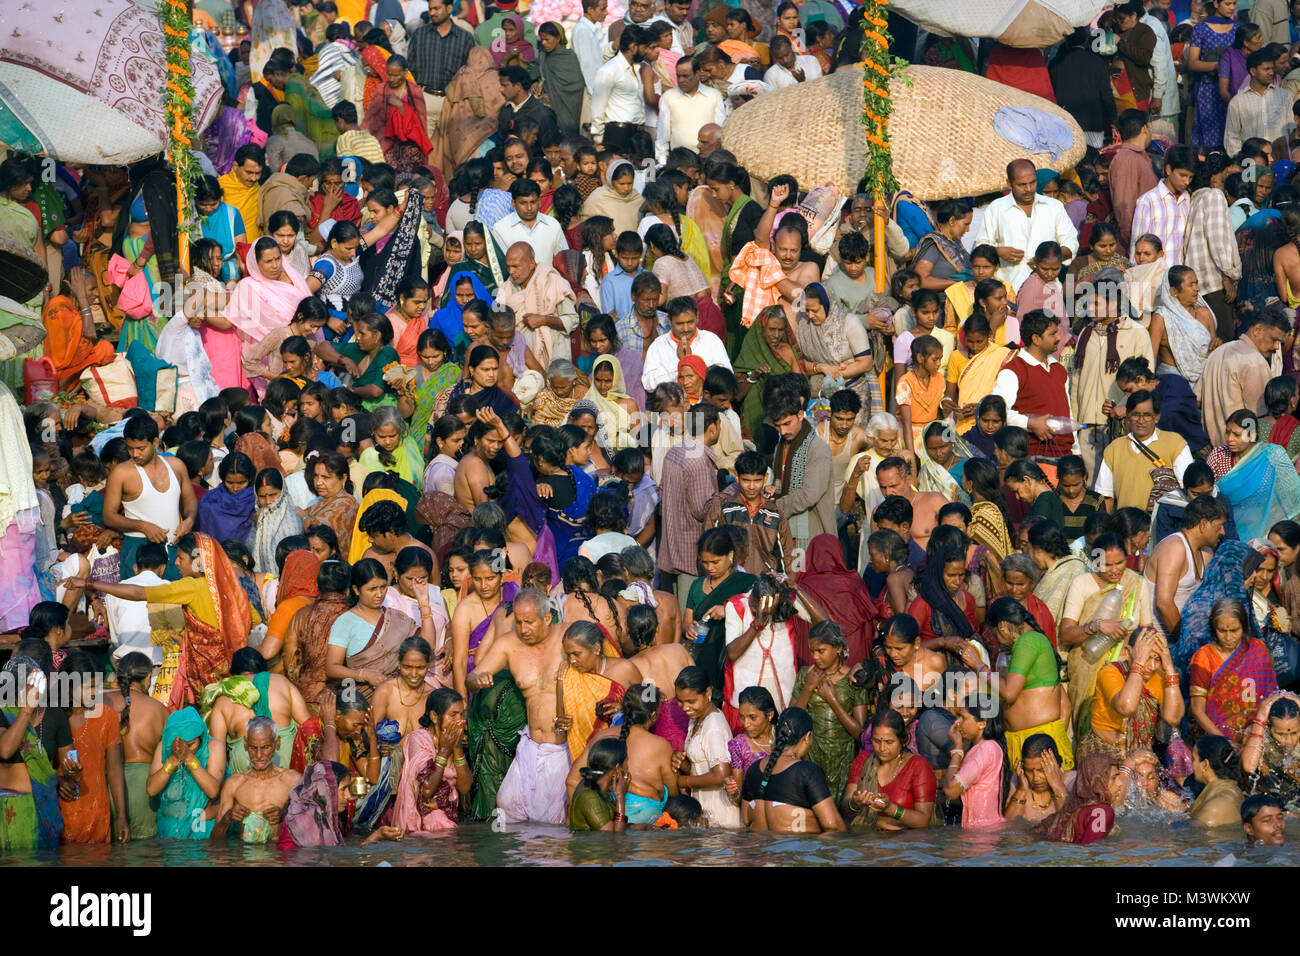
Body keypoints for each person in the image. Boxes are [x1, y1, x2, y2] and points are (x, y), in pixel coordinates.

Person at [73, 532, 253, 710]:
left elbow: (139, 593)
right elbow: (251, 620)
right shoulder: (232, 589)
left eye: (181, 558)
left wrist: (90, 584)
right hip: (230, 670)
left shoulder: (192, 586)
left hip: (204, 678)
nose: (176, 563)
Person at [467, 587, 570, 825]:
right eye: (519, 622)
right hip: (531, 745)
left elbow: (602, 666)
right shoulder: (509, 644)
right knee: (506, 804)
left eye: (530, 622)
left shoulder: (567, 637)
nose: (523, 629)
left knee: (557, 822)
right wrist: (476, 681)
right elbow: (473, 677)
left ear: (547, 618)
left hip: (565, 746)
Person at [102, 414, 197, 582]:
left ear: (155, 442)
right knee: (139, 605)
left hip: (173, 550)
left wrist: (189, 520)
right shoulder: (121, 473)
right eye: (130, 448)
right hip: (137, 550)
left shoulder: (176, 466)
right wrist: (144, 527)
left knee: (174, 606)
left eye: (141, 448)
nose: (134, 454)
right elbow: (108, 516)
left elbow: (190, 501)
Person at [987, 596, 1072, 769]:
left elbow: (1009, 692)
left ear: (1002, 626)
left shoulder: (1028, 641)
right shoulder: (1033, 642)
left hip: (1038, 745)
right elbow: (1065, 704)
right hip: (1033, 740)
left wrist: (979, 667)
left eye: (995, 633)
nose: (997, 639)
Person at [1078, 626, 1184, 760]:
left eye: (1157, 659)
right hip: (1104, 752)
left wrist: (1168, 666)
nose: (1152, 666)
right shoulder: (1110, 672)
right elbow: (1126, 707)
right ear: (1128, 652)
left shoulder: (1158, 678)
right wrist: (1138, 663)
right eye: (1146, 657)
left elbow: (1173, 718)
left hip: (1141, 753)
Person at [790, 621, 869, 799]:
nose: (815, 657)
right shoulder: (805, 675)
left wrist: (832, 700)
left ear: (838, 648)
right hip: (810, 758)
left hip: (843, 762)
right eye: (812, 651)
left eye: (821, 651)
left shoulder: (853, 680)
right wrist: (808, 687)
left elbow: (860, 733)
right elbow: (791, 722)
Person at [973, 159, 1077, 290]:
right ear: (1009, 183)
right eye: (1021, 185)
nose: (1028, 189)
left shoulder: (1054, 207)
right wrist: (998, 251)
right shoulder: (996, 208)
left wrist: (1048, 258)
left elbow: (1071, 242)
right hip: (1009, 288)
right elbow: (980, 246)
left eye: (1032, 183)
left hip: (1047, 288)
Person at [1197, 304, 1290, 447]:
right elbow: (1260, 419)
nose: (1277, 347)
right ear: (1258, 330)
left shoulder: (1218, 352)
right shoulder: (1255, 362)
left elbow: (1197, 399)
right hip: (1241, 453)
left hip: (1216, 451)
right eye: (1274, 340)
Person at [741, 706, 845, 833]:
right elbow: (833, 825)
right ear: (807, 737)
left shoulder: (753, 770)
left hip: (759, 850)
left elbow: (746, 819)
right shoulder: (807, 772)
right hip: (795, 851)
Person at [1189, 597, 1279, 744]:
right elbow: (1198, 710)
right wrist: (1225, 743)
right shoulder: (1204, 657)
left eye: (1234, 630)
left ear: (1243, 627)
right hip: (1217, 739)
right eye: (1222, 631)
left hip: (1258, 735)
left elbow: (1272, 694)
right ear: (1214, 628)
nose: (1228, 637)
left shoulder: (1257, 649)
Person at [992, 310, 1076, 462]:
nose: (1058, 338)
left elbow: (1068, 413)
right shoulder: (1013, 371)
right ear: (1036, 339)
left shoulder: (1059, 369)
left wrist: (1076, 450)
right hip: (1032, 458)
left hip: (1064, 455)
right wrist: (1030, 423)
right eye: (1052, 334)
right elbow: (997, 413)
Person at [1095, 388, 1194, 513]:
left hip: (1163, 526)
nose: (1141, 421)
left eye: (1147, 415)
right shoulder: (1114, 449)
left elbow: (1190, 488)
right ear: (1128, 416)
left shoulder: (1175, 444)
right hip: (1127, 527)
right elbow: (1106, 497)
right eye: (1136, 415)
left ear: (1156, 417)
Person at [1146, 494, 1229, 640]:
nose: (1223, 532)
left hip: (1189, 638)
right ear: (1203, 524)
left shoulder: (1206, 552)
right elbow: (1164, 603)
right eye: (1219, 526)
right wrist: (1185, 644)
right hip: (1162, 643)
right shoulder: (1175, 547)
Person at [209, 717, 302, 844]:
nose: (259, 755)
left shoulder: (292, 781)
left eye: (265, 747)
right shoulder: (234, 784)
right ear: (245, 744)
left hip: (279, 858)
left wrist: (285, 815)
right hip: (245, 858)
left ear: (277, 743)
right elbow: (215, 842)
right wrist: (228, 817)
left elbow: (309, 829)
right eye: (253, 748)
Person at [391, 687, 471, 833]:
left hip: (447, 818)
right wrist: (445, 750)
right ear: (434, 716)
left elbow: (465, 787)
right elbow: (427, 790)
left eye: (461, 715)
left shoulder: (455, 740)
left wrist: (457, 748)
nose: (459, 721)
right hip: (419, 822)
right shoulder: (419, 739)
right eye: (453, 715)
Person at [842, 708, 935, 830]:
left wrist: (890, 808)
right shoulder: (863, 760)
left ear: (902, 740)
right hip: (869, 840)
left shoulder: (918, 766)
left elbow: (923, 821)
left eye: (889, 742)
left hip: (908, 842)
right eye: (876, 741)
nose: (882, 748)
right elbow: (846, 806)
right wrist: (855, 803)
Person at [766, 387, 834, 551]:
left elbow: (809, 494)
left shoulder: (817, 448)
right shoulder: (782, 444)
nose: (783, 431)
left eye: (787, 423)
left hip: (812, 531)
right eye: (778, 426)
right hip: (787, 528)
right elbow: (781, 481)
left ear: (800, 415)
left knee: (805, 575)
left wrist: (776, 507)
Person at [673, 666, 739, 827]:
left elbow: (721, 775)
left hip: (721, 815)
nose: (685, 707)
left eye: (691, 701)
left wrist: (682, 781)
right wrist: (683, 765)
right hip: (704, 811)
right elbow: (704, 769)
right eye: (680, 701)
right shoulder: (695, 719)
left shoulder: (713, 724)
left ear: (708, 693)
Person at [146, 706, 222, 839]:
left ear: (201, 737)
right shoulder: (164, 747)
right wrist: (173, 759)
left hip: (202, 827)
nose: (184, 749)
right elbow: (151, 789)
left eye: (191, 744)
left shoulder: (214, 747)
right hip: (170, 828)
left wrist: (188, 758)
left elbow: (213, 791)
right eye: (180, 746)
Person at [942, 692, 1010, 829]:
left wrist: (957, 749)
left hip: (982, 832)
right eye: (957, 716)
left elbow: (951, 790)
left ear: (982, 724)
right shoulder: (985, 747)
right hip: (984, 830)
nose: (957, 722)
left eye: (963, 717)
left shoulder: (986, 749)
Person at [1037, 753, 1118, 843]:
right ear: (1097, 782)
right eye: (1114, 778)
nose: (1120, 783)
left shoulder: (1073, 808)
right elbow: (1093, 849)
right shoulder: (1103, 812)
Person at [1224, 49, 1291, 156]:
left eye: (1272, 68)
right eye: (1266, 69)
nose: (1271, 72)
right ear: (1253, 71)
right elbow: (1232, 138)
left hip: (1281, 160)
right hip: (1252, 162)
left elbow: (1290, 129)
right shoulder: (1237, 102)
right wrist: (1244, 162)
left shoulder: (1284, 96)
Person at [1004, 734, 1073, 823]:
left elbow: (1069, 826)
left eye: (1041, 770)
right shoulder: (1018, 780)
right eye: (1029, 771)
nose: (1036, 778)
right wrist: (1021, 791)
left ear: (1055, 763)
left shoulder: (1071, 781)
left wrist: (1057, 785)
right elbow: (1010, 828)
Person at [1189, 735, 1245, 826]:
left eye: (1193, 759)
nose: (1191, 765)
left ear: (1205, 765)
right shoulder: (1231, 789)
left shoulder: (1215, 807)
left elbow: (1194, 837)